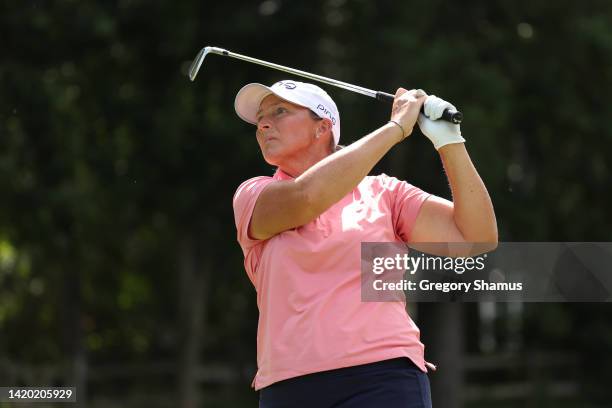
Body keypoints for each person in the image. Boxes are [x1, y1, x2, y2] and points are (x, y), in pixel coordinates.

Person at [232, 79, 497, 408]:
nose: (264, 124)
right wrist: (396, 128)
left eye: (280, 111)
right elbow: (307, 198)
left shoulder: (385, 194)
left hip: (383, 378)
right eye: (260, 118)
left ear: (322, 128)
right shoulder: (253, 195)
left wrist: (449, 140)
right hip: (290, 385)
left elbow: (476, 237)